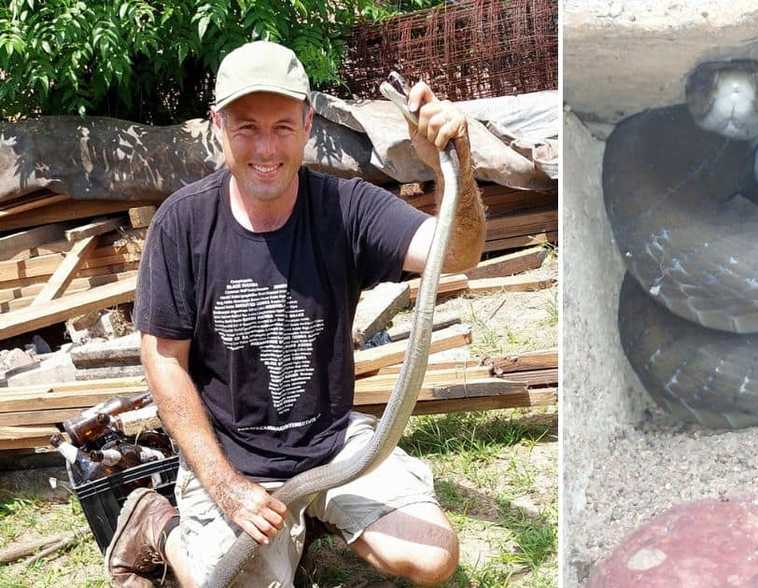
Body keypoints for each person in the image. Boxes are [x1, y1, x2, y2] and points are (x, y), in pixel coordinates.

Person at [103, 40, 486, 587]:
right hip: (232, 459)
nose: (266, 148)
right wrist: (224, 485)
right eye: (246, 128)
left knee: (433, 557)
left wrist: (455, 168)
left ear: (309, 123)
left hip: (333, 448)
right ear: (217, 125)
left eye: (283, 126)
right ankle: (160, 526)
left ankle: (313, 519)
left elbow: (459, 252)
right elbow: (163, 360)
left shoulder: (345, 208)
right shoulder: (182, 225)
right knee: (223, 581)